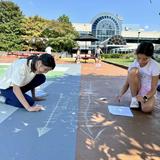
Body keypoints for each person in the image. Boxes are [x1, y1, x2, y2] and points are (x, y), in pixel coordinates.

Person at [117, 42, 160, 113]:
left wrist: (145, 98)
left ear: (150, 56)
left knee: (146, 109)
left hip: (148, 93)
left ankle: (140, 101)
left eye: (145, 59)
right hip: (137, 90)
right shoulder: (134, 64)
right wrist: (120, 94)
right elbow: (127, 83)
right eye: (139, 58)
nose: (141, 61)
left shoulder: (155, 66)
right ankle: (134, 99)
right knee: (133, 71)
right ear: (136, 54)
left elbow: (153, 89)